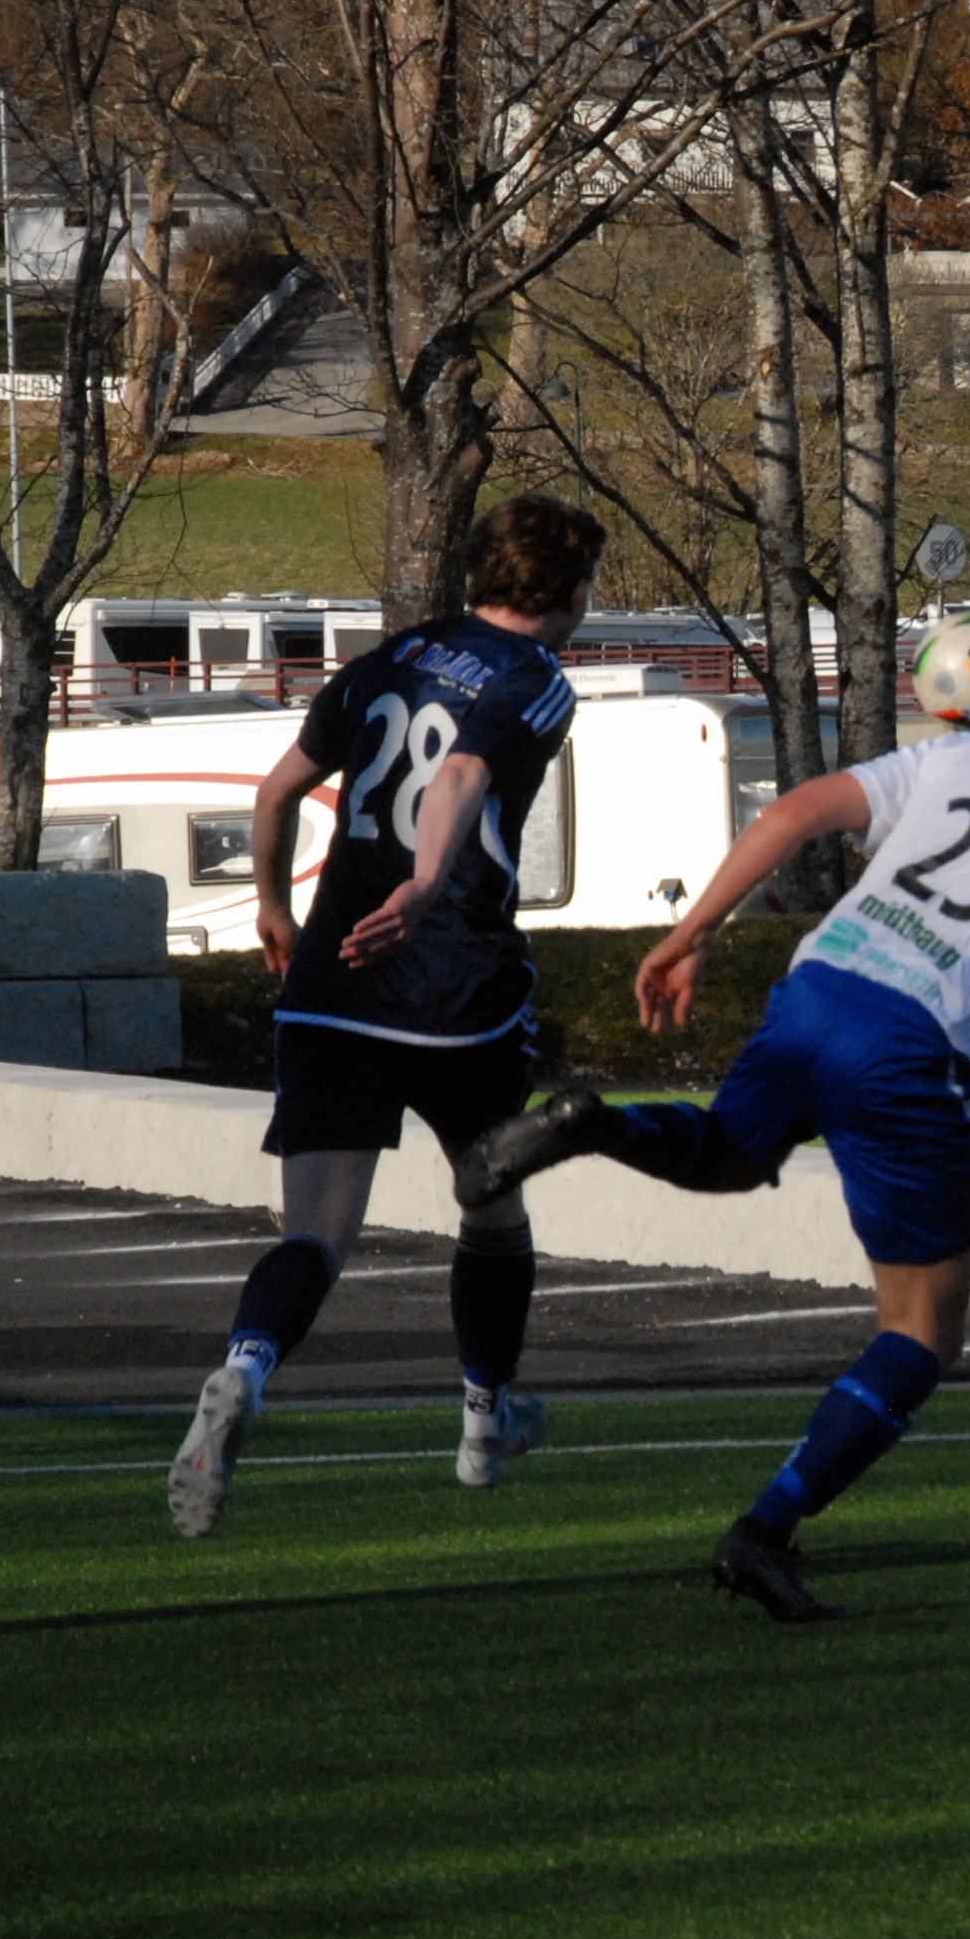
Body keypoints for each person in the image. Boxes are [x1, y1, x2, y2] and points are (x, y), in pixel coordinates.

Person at [457, 630, 970, 1622]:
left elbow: (796, 812)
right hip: (911, 1049)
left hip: (823, 981)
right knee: (921, 1331)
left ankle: (592, 1126)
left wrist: (691, 932)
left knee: (728, 1152)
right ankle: (764, 1531)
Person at [164, 495, 607, 1539]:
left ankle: (244, 1370)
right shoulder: (538, 678)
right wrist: (423, 886)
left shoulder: (389, 657)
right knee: (490, 1207)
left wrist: (271, 907)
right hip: (456, 996)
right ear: (567, 590)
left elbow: (276, 792)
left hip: (332, 989)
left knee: (314, 1237)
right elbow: (460, 774)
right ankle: (484, 1421)